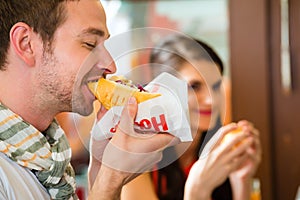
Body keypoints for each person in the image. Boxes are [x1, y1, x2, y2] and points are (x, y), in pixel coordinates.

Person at [0, 1, 178, 199]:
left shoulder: (50, 158)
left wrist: (99, 174)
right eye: (90, 44)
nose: (111, 66)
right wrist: (109, 181)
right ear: (27, 44)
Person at [121, 35, 261, 200]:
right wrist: (197, 192)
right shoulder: (136, 162)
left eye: (216, 86)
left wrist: (241, 180)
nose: (211, 100)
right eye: (194, 87)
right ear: (162, 93)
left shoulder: (220, 150)